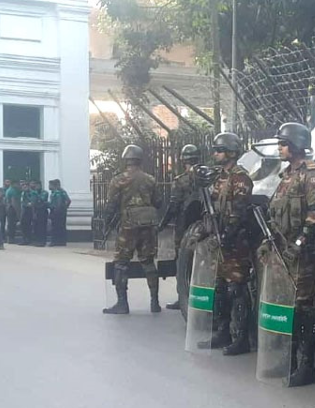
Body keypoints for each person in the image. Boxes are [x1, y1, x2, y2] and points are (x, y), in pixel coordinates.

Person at [261, 123, 315, 387]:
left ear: (297, 145)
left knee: (302, 309)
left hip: (301, 255)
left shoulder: (310, 176)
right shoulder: (285, 176)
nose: (280, 148)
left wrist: (298, 243)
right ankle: (288, 359)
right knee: (284, 305)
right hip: (281, 250)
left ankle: (306, 366)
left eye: (284, 143)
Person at [197, 133, 255, 355]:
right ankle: (223, 332)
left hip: (235, 241)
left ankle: (241, 338)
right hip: (218, 239)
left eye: (219, 150)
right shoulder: (218, 178)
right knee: (219, 288)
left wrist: (228, 233)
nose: (215, 154)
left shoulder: (240, 178)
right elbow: (211, 206)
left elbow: (240, 211)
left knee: (235, 288)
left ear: (230, 153)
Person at [103, 144, 163, 314]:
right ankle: (155, 302)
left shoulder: (118, 180)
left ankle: (122, 303)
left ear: (126, 160)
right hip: (148, 225)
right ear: (139, 160)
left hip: (128, 226)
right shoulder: (150, 179)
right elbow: (158, 203)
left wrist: (108, 224)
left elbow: (111, 205)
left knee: (121, 263)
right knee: (149, 262)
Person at [161, 143, 202, 309]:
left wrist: (163, 223)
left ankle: (183, 297)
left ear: (183, 160)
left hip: (184, 227)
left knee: (183, 261)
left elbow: (174, 205)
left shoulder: (181, 181)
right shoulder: (207, 176)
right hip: (204, 225)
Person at [48, 179, 71, 246]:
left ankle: (56, 241)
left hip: (57, 211)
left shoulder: (58, 192)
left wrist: (62, 208)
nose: (49, 186)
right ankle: (61, 241)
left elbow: (66, 201)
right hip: (59, 211)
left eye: (50, 185)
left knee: (56, 226)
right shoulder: (55, 192)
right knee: (60, 226)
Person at [30, 180, 49, 247]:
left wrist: (37, 195)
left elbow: (42, 200)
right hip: (36, 210)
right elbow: (33, 203)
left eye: (37, 185)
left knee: (42, 227)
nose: (36, 187)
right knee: (36, 227)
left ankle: (42, 241)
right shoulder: (33, 193)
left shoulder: (45, 192)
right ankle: (37, 240)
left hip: (43, 211)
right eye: (35, 186)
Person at [4, 179, 22, 245]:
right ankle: (11, 238)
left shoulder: (9, 190)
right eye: (18, 184)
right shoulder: (12, 191)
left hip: (9, 208)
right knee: (12, 225)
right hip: (12, 209)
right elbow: (14, 202)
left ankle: (10, 238)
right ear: (14, 184)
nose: (19, 185)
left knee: (11, 224)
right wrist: (18, 213)